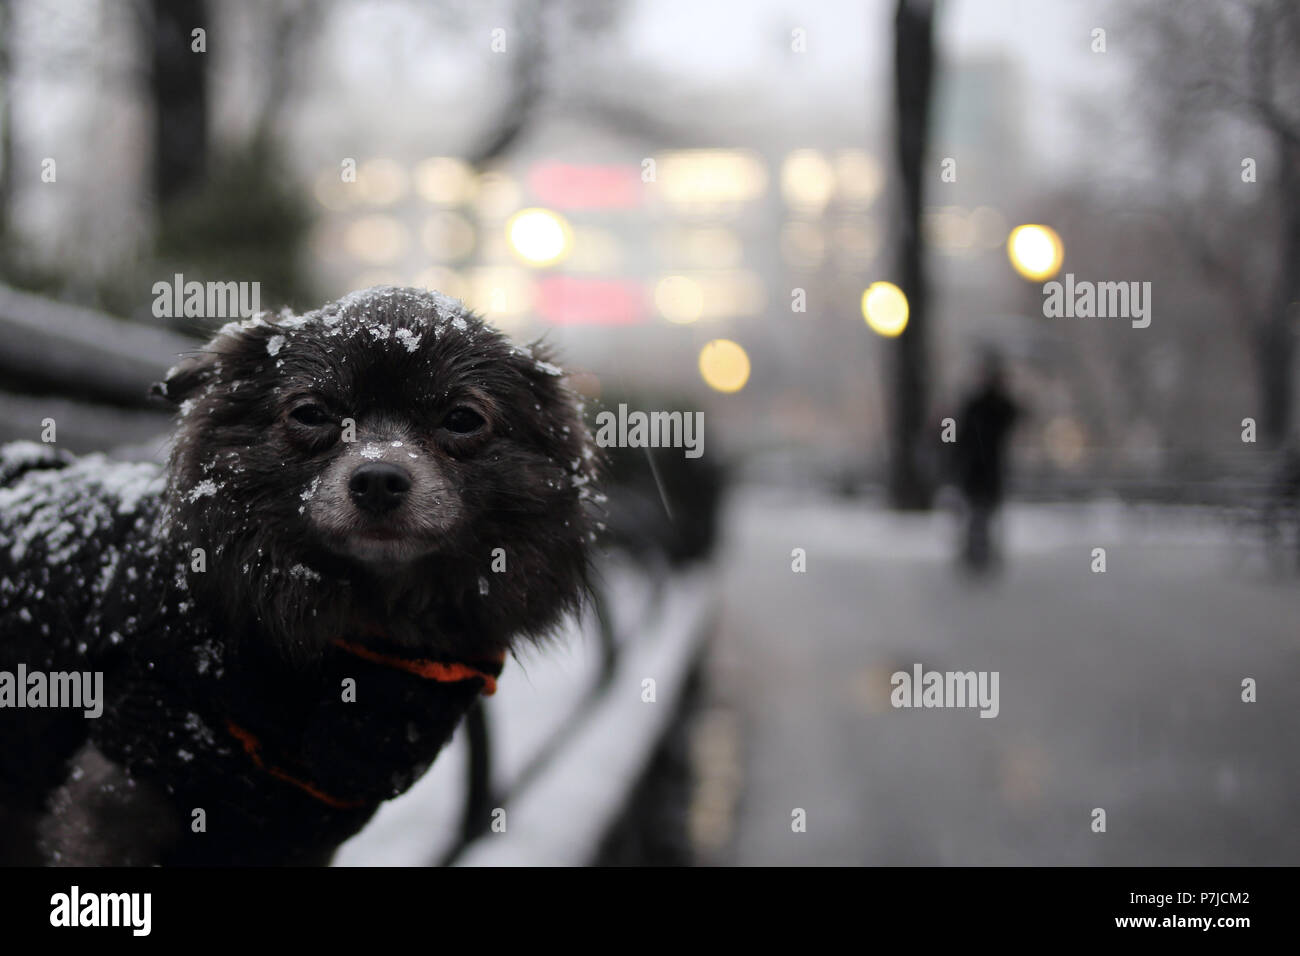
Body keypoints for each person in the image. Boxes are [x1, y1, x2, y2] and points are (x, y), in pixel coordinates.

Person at [953, 353, 1019, 571]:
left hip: (979, 469)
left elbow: (961, 436)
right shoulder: (992, 407)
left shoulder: (978, 406)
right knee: (981, 513)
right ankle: (979, 553)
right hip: (985, 469)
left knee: (978, 514)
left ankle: (977, 553)